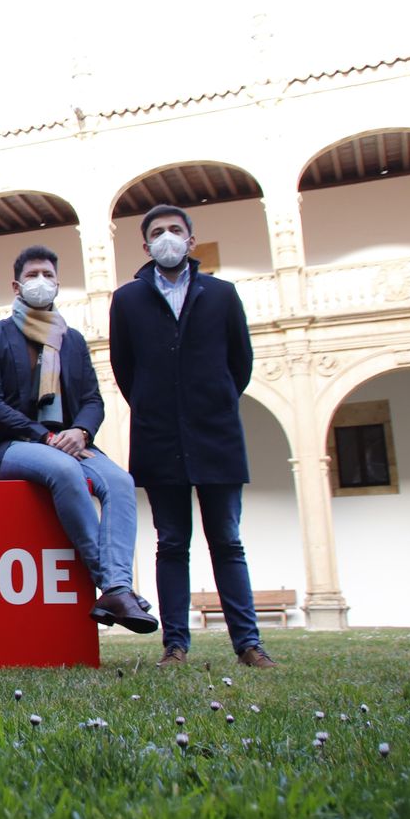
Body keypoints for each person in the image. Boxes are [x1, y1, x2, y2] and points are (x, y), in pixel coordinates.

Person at [110, 205, 276, 669]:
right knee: (172, 542)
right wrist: (153, 403)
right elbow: (126, 370)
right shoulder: (127, 301)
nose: (167, 238)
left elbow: (239, 364)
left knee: (227, 540)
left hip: (215, 434)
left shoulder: (222, 295)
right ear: (145, 247)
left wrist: (213, 399)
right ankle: (175, 645)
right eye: (157, 232)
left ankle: (248, 644)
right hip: (159, 436)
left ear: (191, 239)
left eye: (175, 230)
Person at [0, 245, 158, 635]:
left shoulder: (71, 340)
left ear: (58, 284)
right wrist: (44, 435)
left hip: (71, 441)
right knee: (66, 471)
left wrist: (80, 431)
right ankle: (115, 586)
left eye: (48, 275)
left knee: (121, 482)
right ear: (16, 285)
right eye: (33, 275)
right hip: (11, 445)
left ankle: (117, 588)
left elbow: (92, 399)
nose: (41, 281)